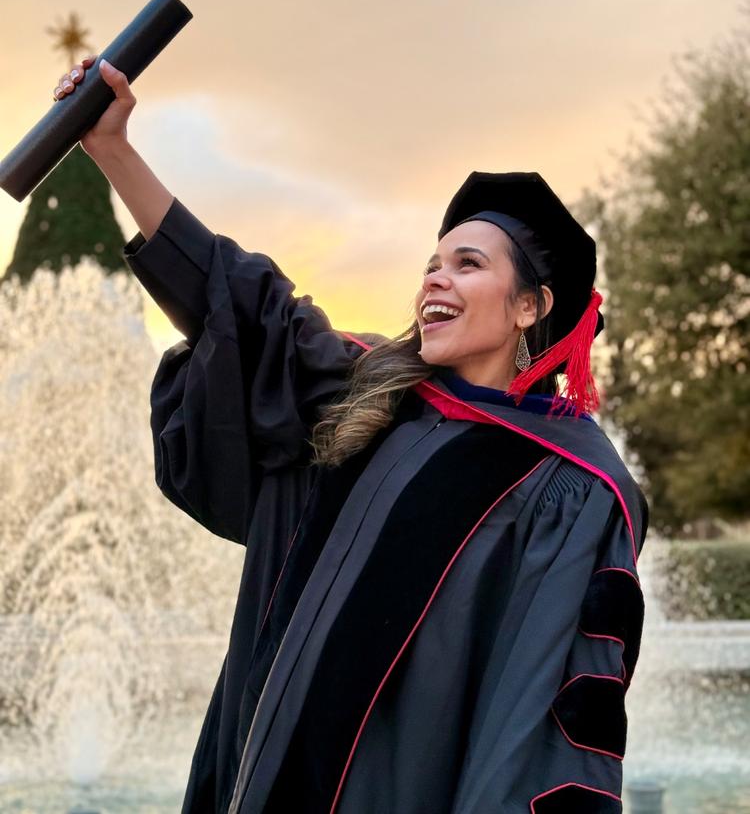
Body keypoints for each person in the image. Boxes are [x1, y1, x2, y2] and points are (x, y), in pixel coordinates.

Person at [55, 56, 649, 814]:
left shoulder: (569, 488)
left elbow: (552, 723)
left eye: (467, 264)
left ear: (530, 307)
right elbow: (240, 299)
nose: (435, 278)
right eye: (432, 264)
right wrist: (114, 149)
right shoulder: (365, 389)